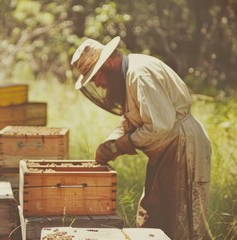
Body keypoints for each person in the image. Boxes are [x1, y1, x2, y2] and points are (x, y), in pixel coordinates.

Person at [70, 36, 212, 240]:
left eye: (95, 76)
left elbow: (158, 126)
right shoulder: (128, 74)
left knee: (185, 223)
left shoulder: (139, 75)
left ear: (109, 62)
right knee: (152, 219)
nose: (97, 84)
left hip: (183, 148)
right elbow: (132, 117)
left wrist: (120, 145)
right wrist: (110, 143)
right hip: (165, 150)